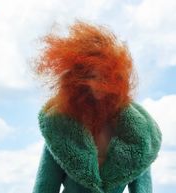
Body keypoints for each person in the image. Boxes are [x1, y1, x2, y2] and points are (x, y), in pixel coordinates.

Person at [31, 20, 162, 193]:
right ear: (79, 79)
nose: (101, 84)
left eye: (107, 76)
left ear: (118, 77)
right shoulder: (61, 126)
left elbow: (143, 189)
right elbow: (45, 186)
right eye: (93, 76)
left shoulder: (140, 134)